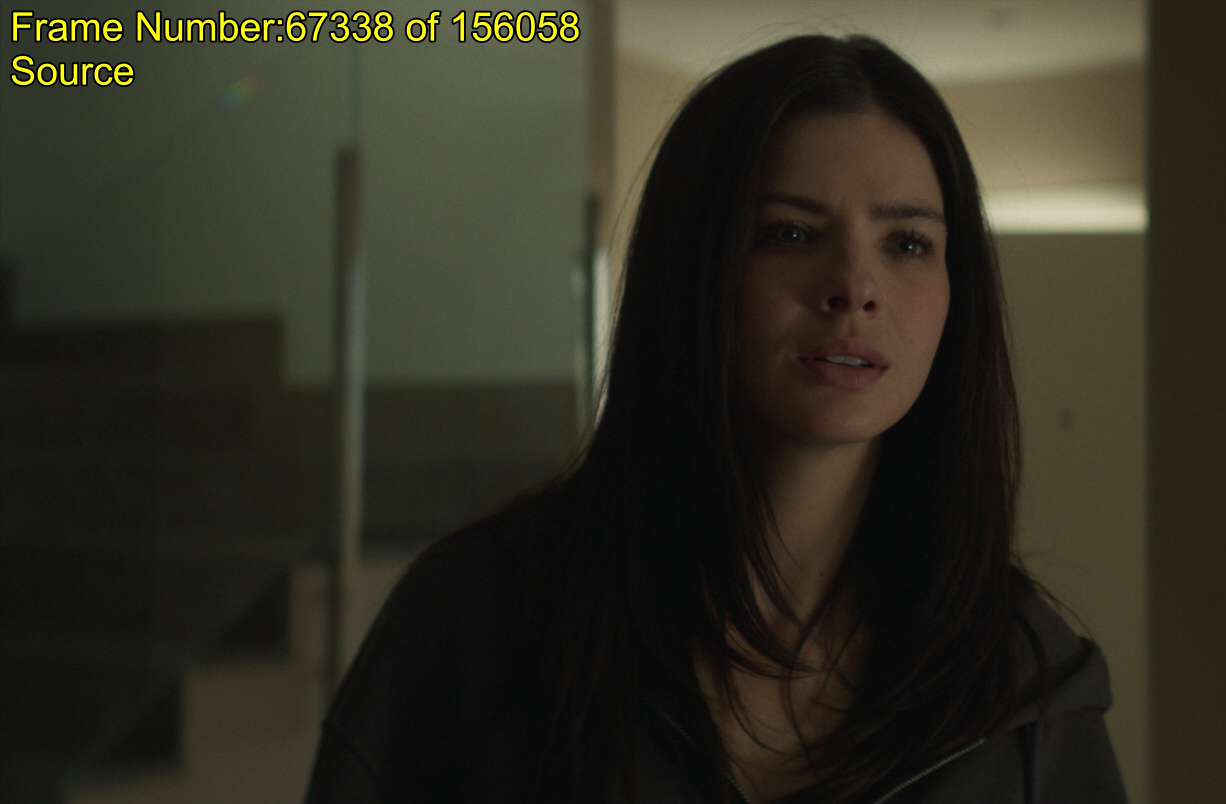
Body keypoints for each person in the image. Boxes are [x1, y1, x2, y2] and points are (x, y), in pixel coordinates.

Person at [303, 34, 1126, 804]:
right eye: (790, 232)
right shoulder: (478, 623)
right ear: (692, 266)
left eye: (907, 243)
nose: (854, 286)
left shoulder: (1024, 690)